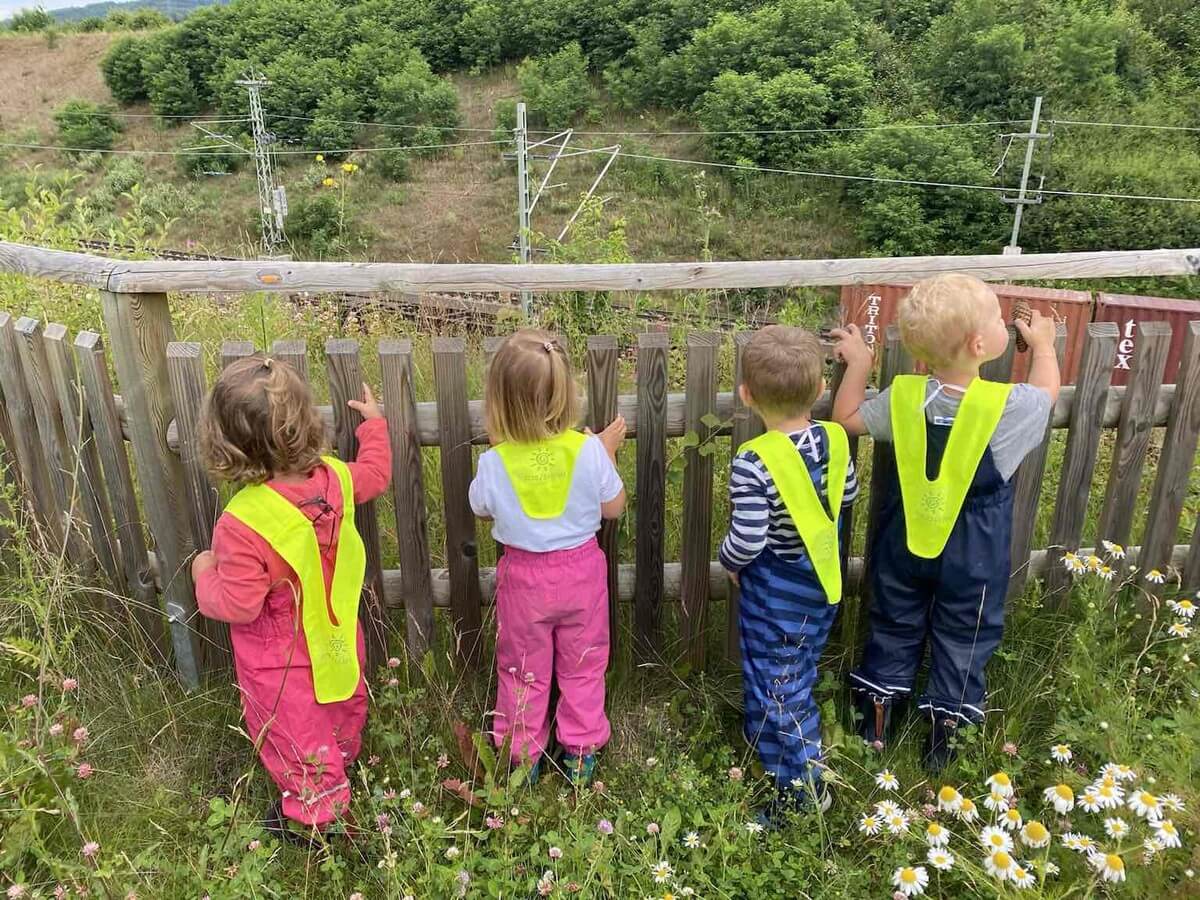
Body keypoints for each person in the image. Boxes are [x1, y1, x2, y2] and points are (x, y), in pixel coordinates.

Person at [831, 273, 1059, 771]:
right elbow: (1046, 393)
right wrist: (1042, 347)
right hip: (974, 551)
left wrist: (862, 362)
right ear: (981, 344)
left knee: (893, 622)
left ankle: (875, 721)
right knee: (965, 634)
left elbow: (846, 416)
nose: (1005, 325)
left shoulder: (903, 397)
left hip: (903, 540)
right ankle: (944, 742)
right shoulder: (1008, 407)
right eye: (999, 319)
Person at [192, 355, 391, 841]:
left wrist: (203, 573)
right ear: (305, 420)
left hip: (279, 657)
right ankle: (342, 760)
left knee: (294, 729)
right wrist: (376, 425)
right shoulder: (335, 481)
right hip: (336, 631)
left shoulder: (242, 524)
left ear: (229, 444)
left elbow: (239, 603)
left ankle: (317, 819)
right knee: (339, 701)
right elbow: (376, 473)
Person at [469, 329, 625, 787]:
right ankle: (580, 753)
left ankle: (522, 758)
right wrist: (608, 453)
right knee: (584, 664)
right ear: (564, 393)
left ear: (499, 402)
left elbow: (480, 508)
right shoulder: (587, 450)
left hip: (524, 580)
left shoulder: (496, 463)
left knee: (522, 670)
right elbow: (614, 508)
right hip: (582, 574)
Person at [719, 325, 859, 818]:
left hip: (775, 592)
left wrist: (729, 563)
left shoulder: (754, 461)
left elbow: (750, 537)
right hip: (822, 586)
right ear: (821, 391)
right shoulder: (836, 441)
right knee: (794, 671)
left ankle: (802, 790)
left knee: (780, 686)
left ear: (746, 396)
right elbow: (847, 499)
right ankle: (767, 741)